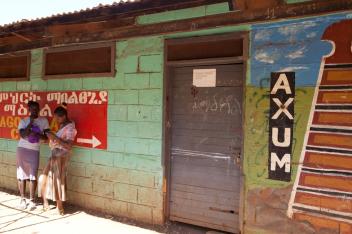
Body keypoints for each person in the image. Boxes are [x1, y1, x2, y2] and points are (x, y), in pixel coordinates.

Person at [40, 103, 77, 215]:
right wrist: (48, 138)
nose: (55, 120)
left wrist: (54, 137)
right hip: (54, 155)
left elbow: (69, 146)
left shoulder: (70, 127)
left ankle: (59, 207)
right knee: (44, 177)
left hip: (61, 157)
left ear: (63, 116)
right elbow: (58, 141)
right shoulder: (62, 126)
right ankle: (45, 203)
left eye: (57, 118)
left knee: (57, 181)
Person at [17, 101, 49, 210]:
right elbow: (22, 135)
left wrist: (37, 134)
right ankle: (22, 199)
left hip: (34, 150)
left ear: (39, 109)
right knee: (21, 175)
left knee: (33, 175)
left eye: (36, 109)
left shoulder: (43, 121)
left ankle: (31, 200)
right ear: (29, 110)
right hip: (22, 149)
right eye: (32, 109)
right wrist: (30, 123)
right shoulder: (23, 121)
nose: (34, 111)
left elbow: (46, 138)